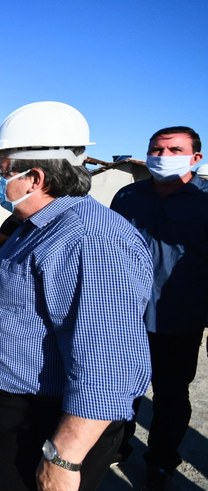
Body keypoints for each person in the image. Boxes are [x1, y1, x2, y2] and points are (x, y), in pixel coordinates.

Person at [0, 101, 153, 491]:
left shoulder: (90, 239)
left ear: (34, 178)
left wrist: (62, 458)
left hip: (48, 417)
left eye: (3, 173)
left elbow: (108, 362)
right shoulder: (36, 225)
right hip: (17, 405)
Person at [110, 126, 207, 489]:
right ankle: (115, 448)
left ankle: (162, 461)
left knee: (170, 396)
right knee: (120, 388)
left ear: (196, 158)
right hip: (123, 317)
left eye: (175, 150)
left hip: (180, 318)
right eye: (157, 149)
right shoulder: (128, 196)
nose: (163, 157)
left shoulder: (206, 201)